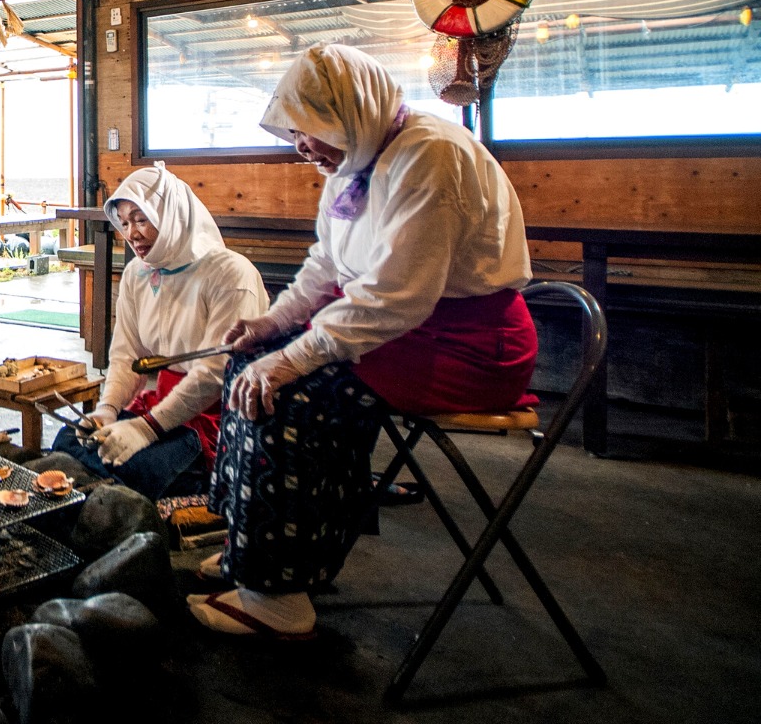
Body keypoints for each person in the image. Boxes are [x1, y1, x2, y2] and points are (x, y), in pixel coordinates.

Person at [190, 43, 537, 639]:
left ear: (353, 114)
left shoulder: (429, 154)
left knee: (291, 396)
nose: (302, 146)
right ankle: (254, 544)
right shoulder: (357, 159)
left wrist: (291, 359)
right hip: (405, 328)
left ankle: (276, 595)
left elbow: (397, 296)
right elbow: (327, 265)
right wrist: (272, 326)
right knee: (248, 361)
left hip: (467, 343)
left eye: (312, 129)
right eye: (296, 131)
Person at [52, 163, 268, 499]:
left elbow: (216, 373)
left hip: (214, 414)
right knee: (69, 440)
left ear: (171, 214)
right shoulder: (138, 273)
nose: (131, 233)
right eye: (124, 223)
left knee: (134, 467)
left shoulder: (230, 274)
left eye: (141, 220)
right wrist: (108, 409)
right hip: (160, 404)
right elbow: (126, 354)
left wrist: (147, 428)